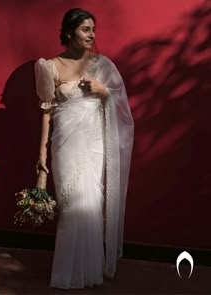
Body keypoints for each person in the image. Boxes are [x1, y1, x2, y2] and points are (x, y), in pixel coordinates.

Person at [34, 8, 134, 289]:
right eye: (85, 29)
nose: (92, 35)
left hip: (94, 144)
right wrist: (41, 154)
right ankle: (65, 274)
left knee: (91, 203)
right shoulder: (49, 67)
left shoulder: (103, 66)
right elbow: (46, 111)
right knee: (69, 204)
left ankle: (89, 272)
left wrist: (103, 92)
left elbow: (120, 104)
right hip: (65, 142)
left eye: (93, 29)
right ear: (68, 33)